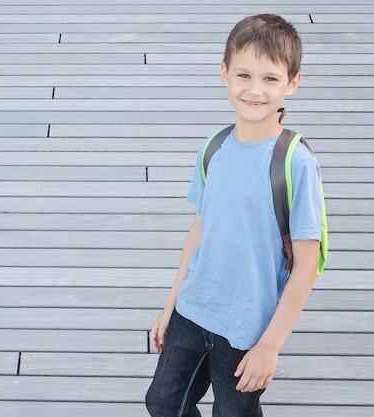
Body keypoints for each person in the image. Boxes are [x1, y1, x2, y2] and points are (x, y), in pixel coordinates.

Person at [145, 14, 323, 417]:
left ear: (292, 83)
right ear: (224, 74)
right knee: (163, 402)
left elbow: (308, 266)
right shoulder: (215, 147)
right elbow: (201, 228)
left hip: (246, 326)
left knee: (233, 413)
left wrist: (270, 345)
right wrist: (171, 303)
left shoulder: (295, 163)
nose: (254, 90)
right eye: (243, 75)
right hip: (194, 310)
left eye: (270, 79)